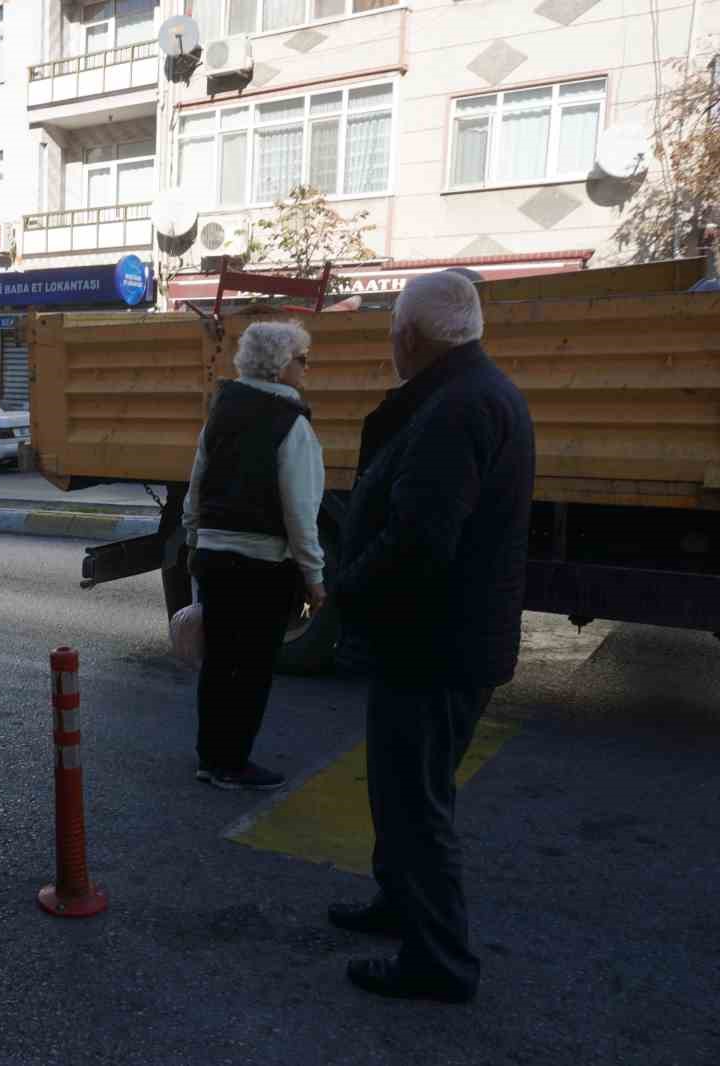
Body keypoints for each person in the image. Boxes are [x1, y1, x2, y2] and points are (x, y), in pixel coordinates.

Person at [327, 271, 534, 1004]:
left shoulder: (457, 407)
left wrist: (340, 591)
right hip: (444, 639)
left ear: (408, 336)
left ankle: (439, 961)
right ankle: (397, 903)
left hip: (434, 645)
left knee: (417, 803)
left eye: (392, 330)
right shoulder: (478, 391)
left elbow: (419, 541)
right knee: (402, 788)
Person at [181, 321, 325, 791]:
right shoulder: (292, 422)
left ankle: (209, 757)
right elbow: (299, 508)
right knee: (254, 669)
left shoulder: (221, 411)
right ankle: (233, 763)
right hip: (262, 566)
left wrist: (192, 538)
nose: (307, 368)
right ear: (282, 366)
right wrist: (314, 575)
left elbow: (197, 481)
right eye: (303, 359)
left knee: (220, 663)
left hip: (215, 557)